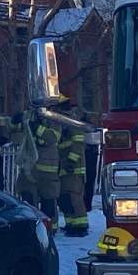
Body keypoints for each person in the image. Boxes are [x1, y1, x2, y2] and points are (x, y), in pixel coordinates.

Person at [57, 98, 90, 237]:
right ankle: (71, 223)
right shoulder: (63, 124)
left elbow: (78, 144)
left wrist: (71, 161)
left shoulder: (73, 124)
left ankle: (81, 226)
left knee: (75, 198)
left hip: (74, 168)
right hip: (64, 167)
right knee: (65, 198)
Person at [32, 103, 63, 224]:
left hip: (49, 169)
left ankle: (52, 227)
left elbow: (52, 137)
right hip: (33, 169)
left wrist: (37, 128)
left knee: (48, 201)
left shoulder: (55, 120)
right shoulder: (36, 119)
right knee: (32, 200)